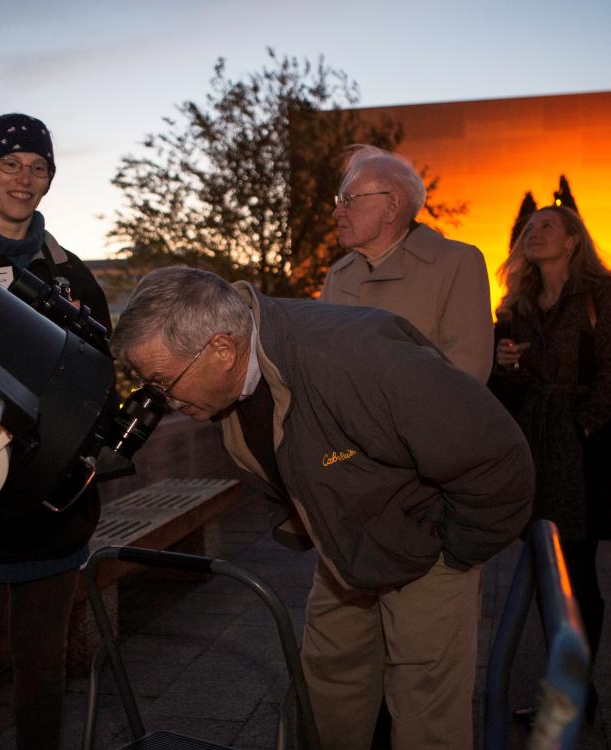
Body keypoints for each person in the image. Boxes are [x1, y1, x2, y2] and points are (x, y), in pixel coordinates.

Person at [110, 267, 534, 750]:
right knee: (327, 691)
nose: (161, 400)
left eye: (165, 382)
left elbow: (498, 455)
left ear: (222, 349)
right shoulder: (227, 378)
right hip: (345, 551)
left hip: (427, 547)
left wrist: (454, 551)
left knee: (424, 713)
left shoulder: (357, 358)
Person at [0, 113, 112, 750]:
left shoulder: (74, 278)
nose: (25, 177)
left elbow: (101, 379)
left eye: (38, 167)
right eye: (10, 164)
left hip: (49, 507)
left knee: (43, 668)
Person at [489, 205, 611, 724]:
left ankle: (574, 694)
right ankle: (565, 689)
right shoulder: (518, 302)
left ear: (574, 240)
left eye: (547, 225)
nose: (534, 231)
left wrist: (583, 425)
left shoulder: (603, 294)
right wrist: (503, 363)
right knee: (539, 569)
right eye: (529, 227)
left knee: (576, 574)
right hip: (533, 443)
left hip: (580, 450)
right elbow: (507, 378)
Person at [321, 145, 493, 383]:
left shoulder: (457, 262)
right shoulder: (338, 276)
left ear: (392, 207)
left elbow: (467, 371)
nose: (337, 212)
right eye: (338, 201)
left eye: (348, 200)